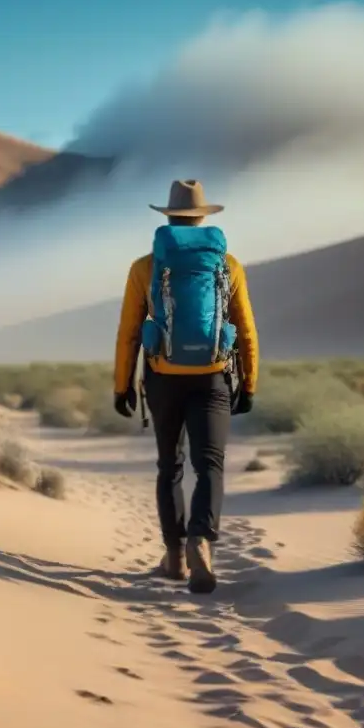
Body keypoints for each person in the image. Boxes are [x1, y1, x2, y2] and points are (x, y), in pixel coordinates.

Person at [112, 179, 259, 594]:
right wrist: (248, 383)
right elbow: (246, 330)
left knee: (169, 466)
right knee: (209, 465)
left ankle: (174, 557)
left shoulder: (145, 267)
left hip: (162, 378)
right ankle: (201, 541)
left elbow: (128, 332)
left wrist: (122, 384)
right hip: (213, 376)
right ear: (202, 216)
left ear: (169, 216)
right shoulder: (227, 265)